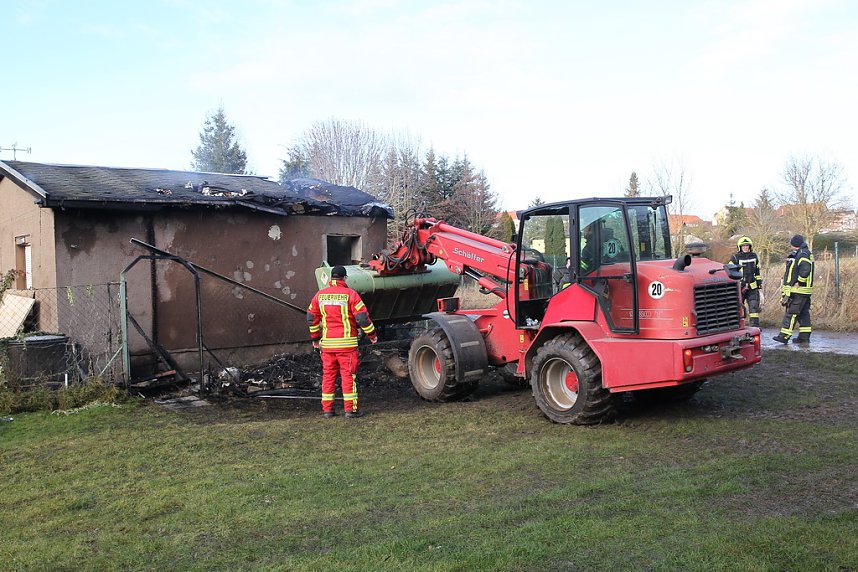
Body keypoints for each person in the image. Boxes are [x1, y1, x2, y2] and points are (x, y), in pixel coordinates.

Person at [307, 265, 378, 418]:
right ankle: (350, 410)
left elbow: (311, 318)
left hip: (327, 346)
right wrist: (372, 335)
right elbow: (362, 319)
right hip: (347, 346)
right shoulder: (351, 295)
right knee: (348, 377)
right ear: (345, 278)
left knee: (328, 377)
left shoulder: (320, 295)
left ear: (331, 278)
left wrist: (315, 339)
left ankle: (327, 410)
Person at [773, 234, 814, 344]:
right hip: (805, 291)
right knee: (803, 314)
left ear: (793, 244)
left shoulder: (802, 254)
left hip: (799, 291)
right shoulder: (804, 253)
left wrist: (799, 281)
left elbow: (805, 270)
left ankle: (784, 336)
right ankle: (804, 337)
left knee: (791, 313)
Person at [729, 236, 763, 327]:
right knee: (738, 308)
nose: (745, 247)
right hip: (740, 286)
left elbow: (757, 270)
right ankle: (737, 327)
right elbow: (730, 271)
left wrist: (759, 283)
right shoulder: (735, 258)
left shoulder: (754, 256)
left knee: (754, 308)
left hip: (753, 286)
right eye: (743, 246)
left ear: (750, 246)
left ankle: (755, 327)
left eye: (747, 246)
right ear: (740, 247)